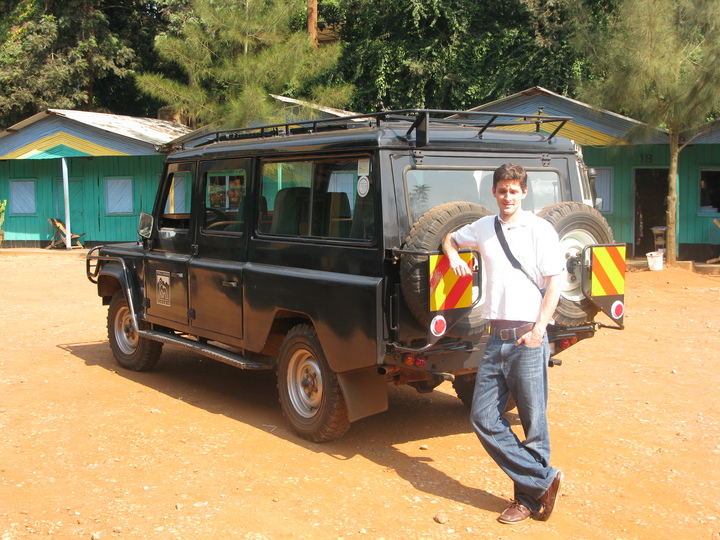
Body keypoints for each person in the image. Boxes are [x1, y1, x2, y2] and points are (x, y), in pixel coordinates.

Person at [442, 163, 565, 524]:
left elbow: (555, 282)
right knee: (482, 417)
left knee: (533, 423)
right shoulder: (483, 227)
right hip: (495, 338)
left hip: (528, 337)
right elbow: (450, 238)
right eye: (501, 190)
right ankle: (543, 480)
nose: (507, 197)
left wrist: (539, 330)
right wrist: (453, 256)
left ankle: (527, 500)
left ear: (523, 192)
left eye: (513, 191)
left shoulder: (540, 230)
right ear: (494, 192)